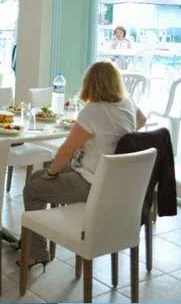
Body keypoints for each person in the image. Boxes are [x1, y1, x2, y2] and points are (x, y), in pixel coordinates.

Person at [21, 61, 146, 268]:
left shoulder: (93, 110)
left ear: (90, 84)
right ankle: (30, 238)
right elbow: (142, 120)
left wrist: (51, 173)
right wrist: (118, 139)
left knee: (32, 189)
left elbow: (67, 150)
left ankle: (37, 252)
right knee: (36, 177)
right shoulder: (127, 102)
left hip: (91, 182)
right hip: (111, 179)